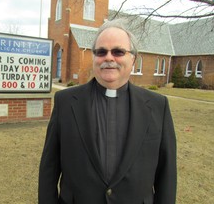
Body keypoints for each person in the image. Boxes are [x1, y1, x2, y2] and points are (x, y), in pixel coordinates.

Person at [38, 19, 177, 204]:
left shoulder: (158, 106)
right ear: (94, 57)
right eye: (101, 52)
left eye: (118, 51)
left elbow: (166, 174)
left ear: (133, 59)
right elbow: (49, 169)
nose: (109, 58)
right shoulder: (66, 102)